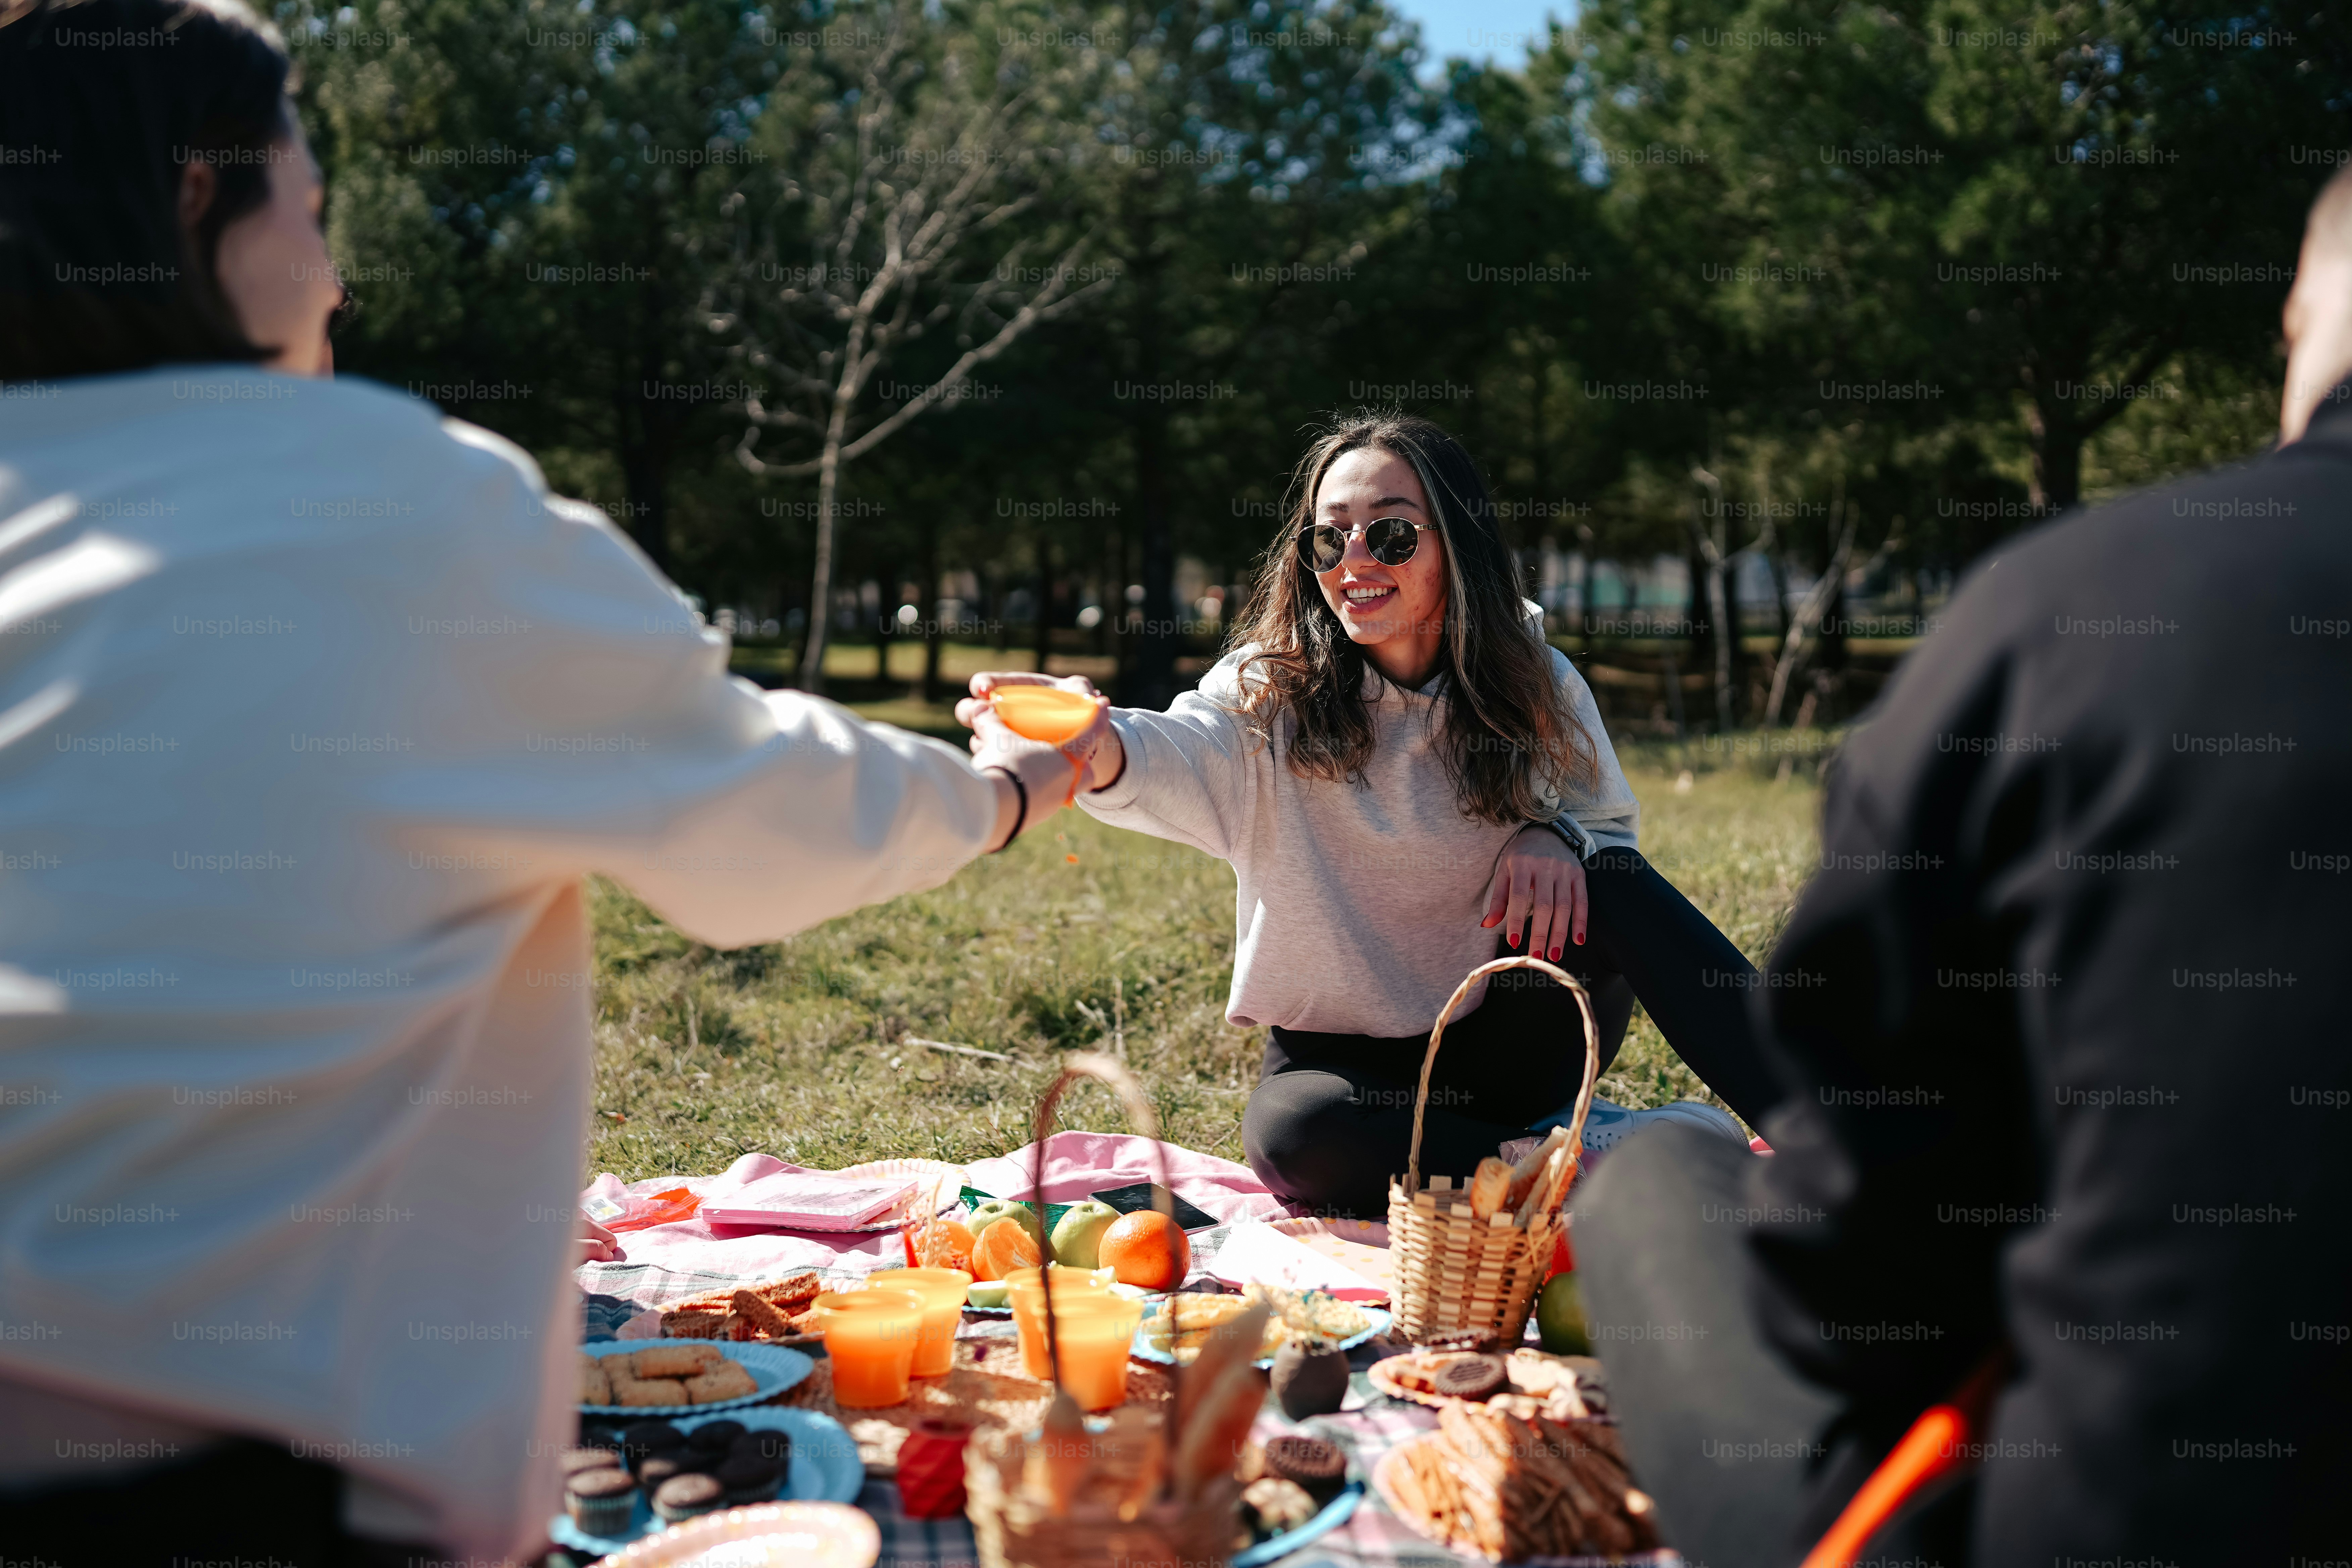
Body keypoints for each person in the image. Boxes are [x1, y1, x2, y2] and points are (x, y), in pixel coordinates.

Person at [0, 1, 1105, 1562]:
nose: (339, 269)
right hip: (285, 1495)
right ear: (197, 197)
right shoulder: (393, 500)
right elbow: (762, 815)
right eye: (310, 209)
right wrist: (1000, 791)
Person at [1570, 170, 2352, 1567]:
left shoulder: (2068, 613)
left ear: (2298, 315)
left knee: (1651, 1182)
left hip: (2086, 1518)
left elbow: (1853, 1288)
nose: (1359, 559)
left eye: (1390, 532)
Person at [961, 414, 1788, 1219]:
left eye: (1390, 535)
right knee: (1296, 1138)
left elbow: (1610, 836)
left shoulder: (1536, 681)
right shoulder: (1267, 695)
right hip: (1346, 1065)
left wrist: (1559, 833)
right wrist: (1090, 738)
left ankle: (1826, 1128)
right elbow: (1178, 752)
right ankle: (1580, 1157)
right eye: (1330, 538)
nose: (1353, 559)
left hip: (1516, 1028)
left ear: (1455, 546)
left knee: (1606, 877)